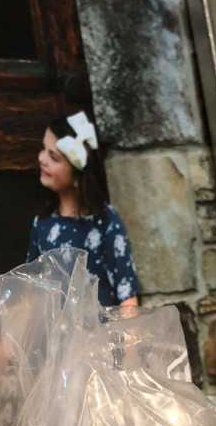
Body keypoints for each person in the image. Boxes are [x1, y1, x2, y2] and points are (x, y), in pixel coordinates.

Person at [27, 111, 141, 310]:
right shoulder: (42, 223)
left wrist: (128, 339)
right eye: (43, 149)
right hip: (59, 339)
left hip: (103, 336)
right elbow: (30, 288)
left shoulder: (105, 221)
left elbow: (127, 296)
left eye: (53, 157)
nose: (42, 158)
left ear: (77, 176)